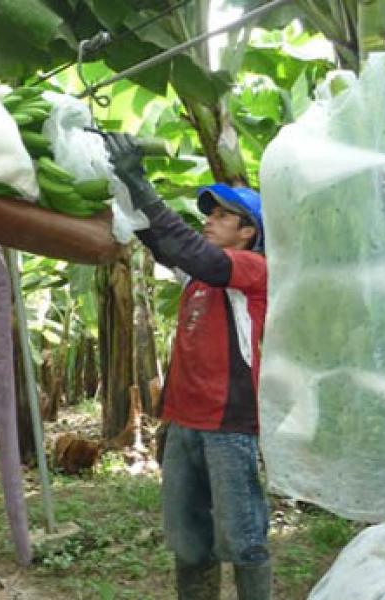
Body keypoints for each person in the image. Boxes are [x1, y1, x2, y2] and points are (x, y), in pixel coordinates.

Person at [107, 135, 271, 600]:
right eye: (210, 213)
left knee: (242, 538)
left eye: (223, 216)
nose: (210, 221)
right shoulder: (198, 275)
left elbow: (194, 252)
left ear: (248, 232)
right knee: (188, 538)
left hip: (229, 426)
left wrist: (141, 180)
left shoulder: (251, 271)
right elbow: (161, 240)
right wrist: (120, 183)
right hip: (183, 424)